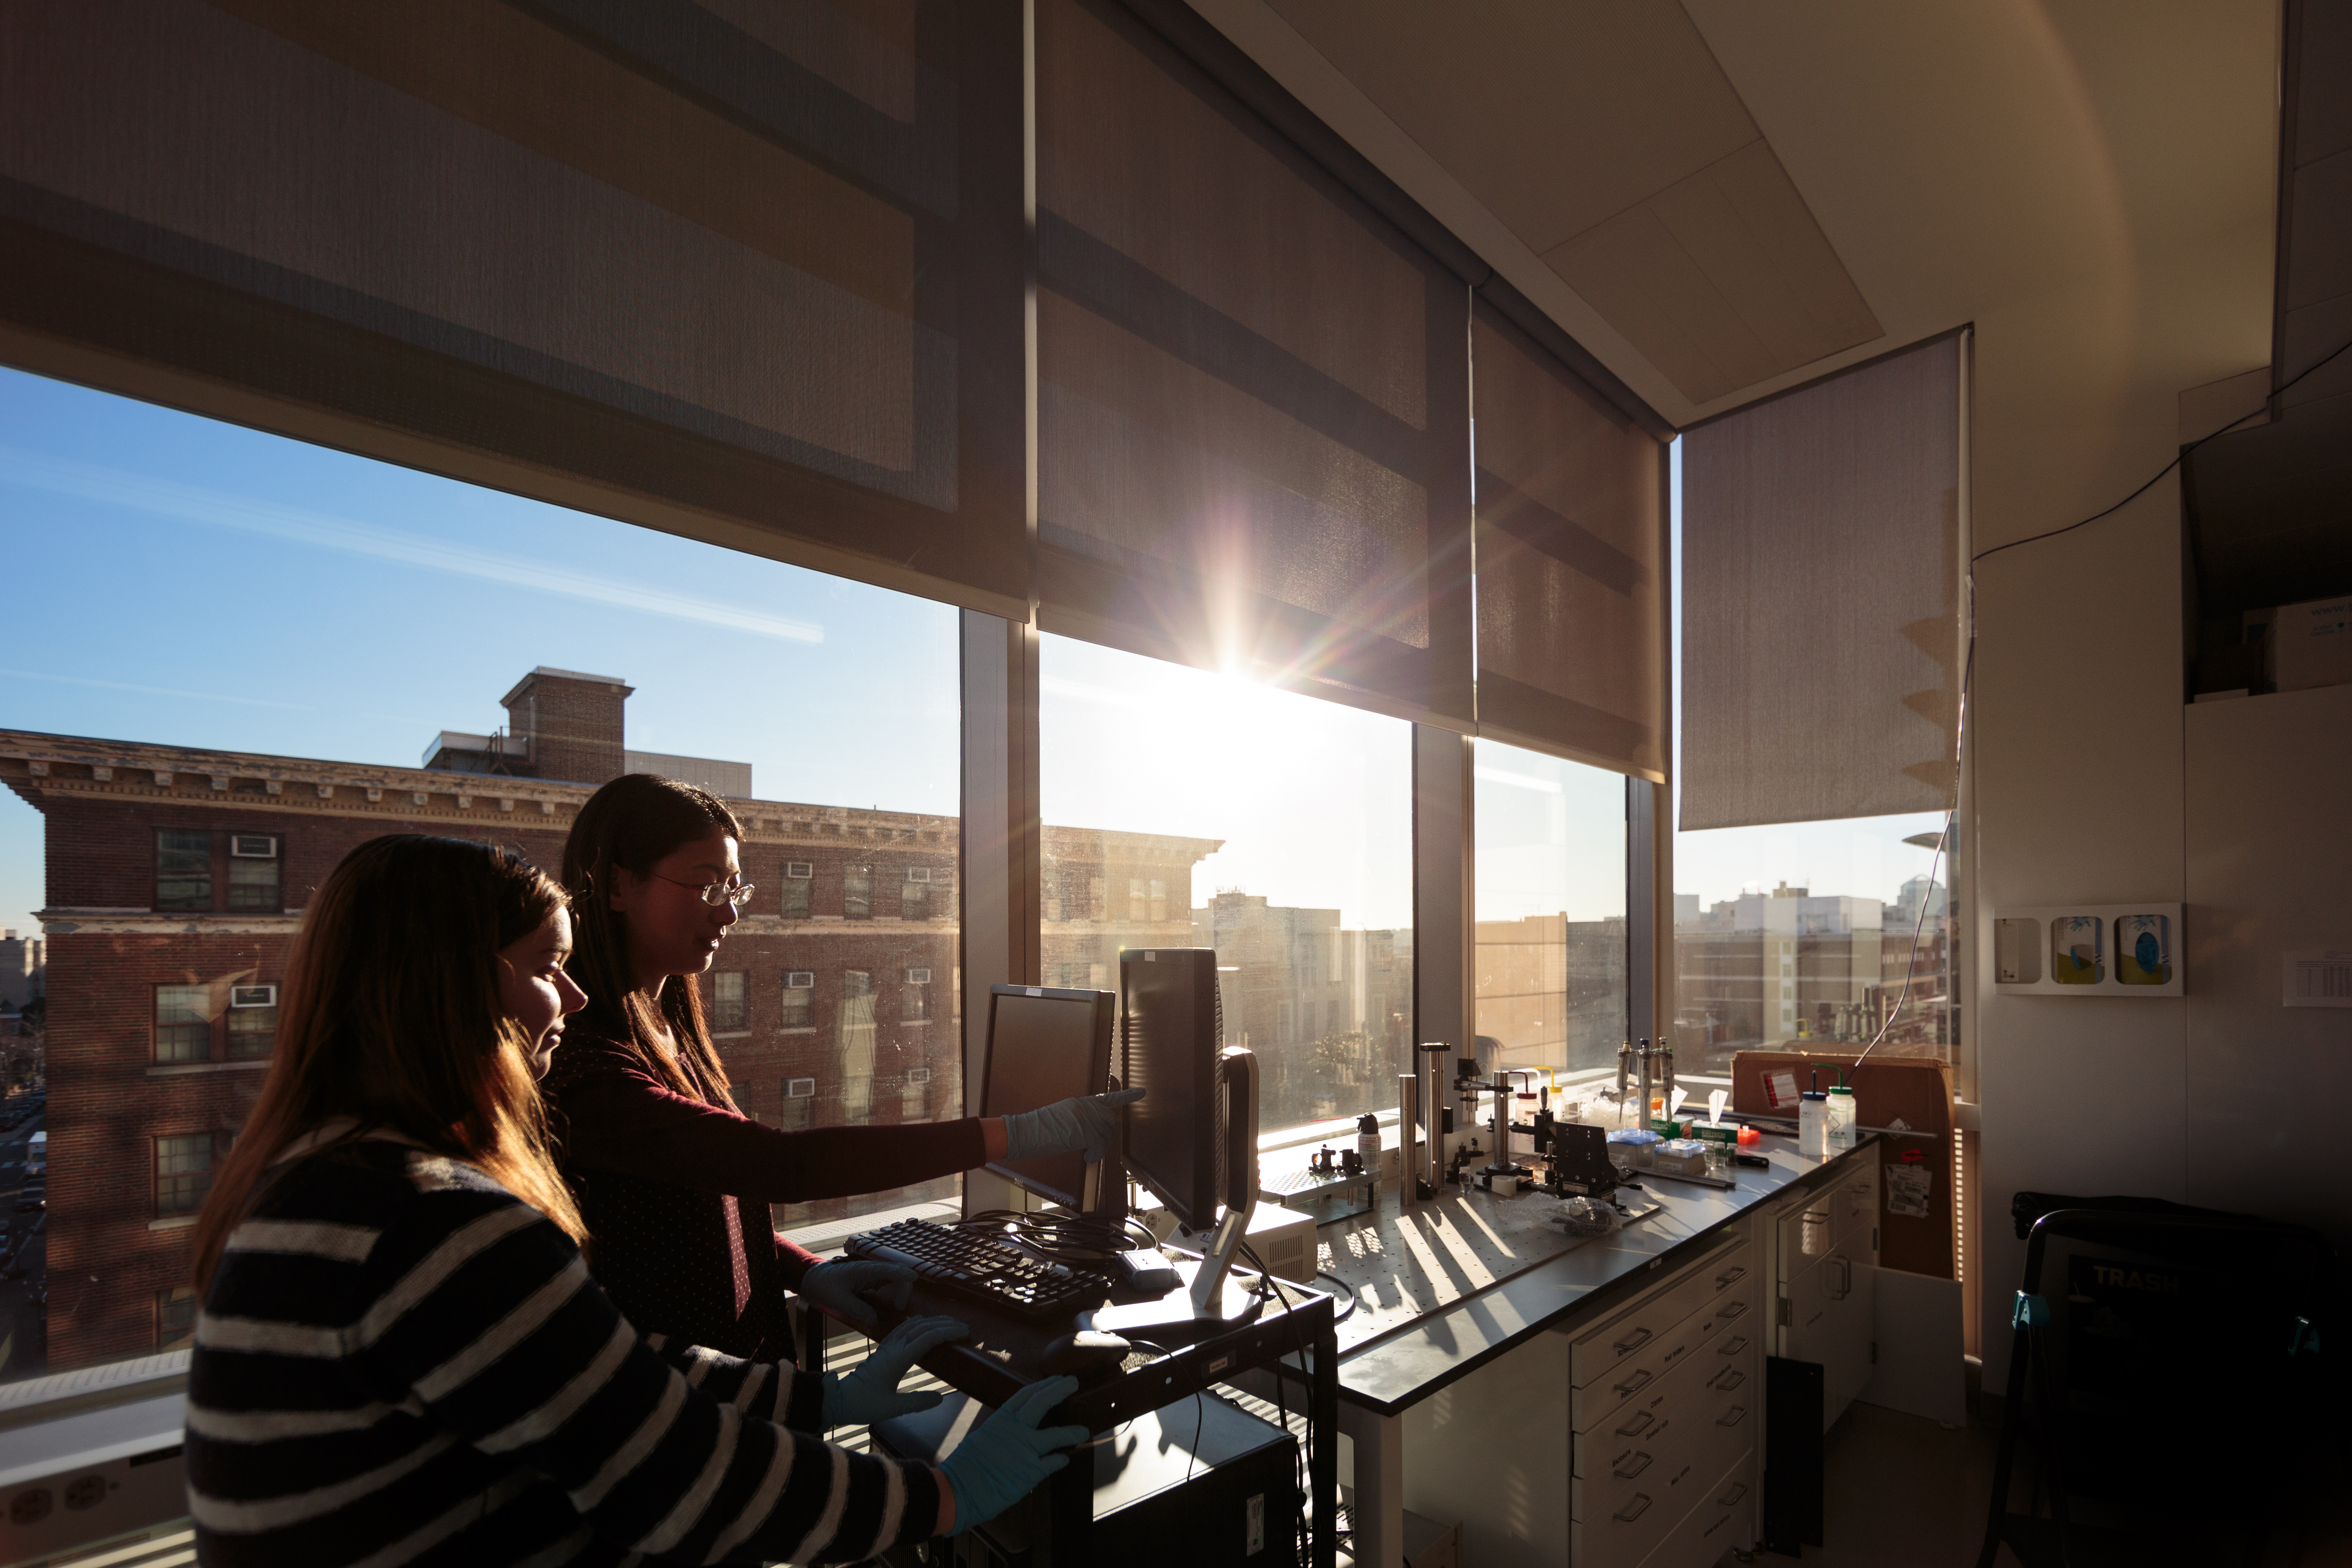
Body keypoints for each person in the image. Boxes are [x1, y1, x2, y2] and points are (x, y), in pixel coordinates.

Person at [185, 834, 1085, 1565]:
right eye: (545, 967)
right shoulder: (434, 1223)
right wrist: (944, 1495)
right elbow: (669, 1475)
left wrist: (817, 1397)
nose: (568, 1001)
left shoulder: (330, 1179)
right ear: (449, 986)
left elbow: (584, 1367)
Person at [542, 775, 1139, 1357]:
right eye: (707, 888)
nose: (728, 915)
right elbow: (780, 1167)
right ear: (618, 886)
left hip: (748, 1383)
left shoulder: (670, 1031)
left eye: (735, 889)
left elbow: (711, 1207)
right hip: (681, 1415)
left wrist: (805, 1273)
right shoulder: (584, 1068)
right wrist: (1020, 1134)